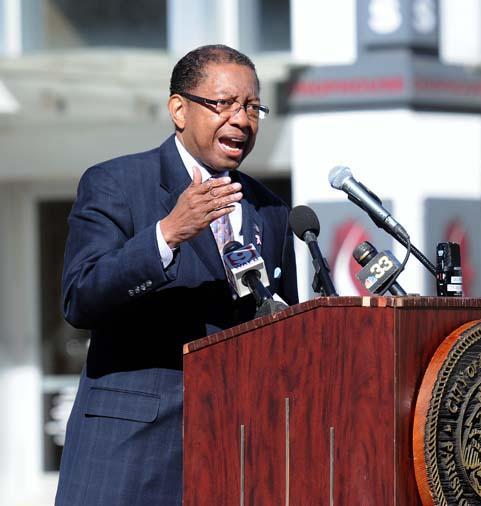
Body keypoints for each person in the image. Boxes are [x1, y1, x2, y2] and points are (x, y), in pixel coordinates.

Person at [55, 45, 298, 505]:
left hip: (234, 455)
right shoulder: (117, 182)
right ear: (179, 110)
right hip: (131, 453)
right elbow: (79, 298)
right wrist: (165, 236)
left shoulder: (271, 209)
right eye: (224, 104)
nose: (242, 121)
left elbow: (281, 331)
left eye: (252, 107)